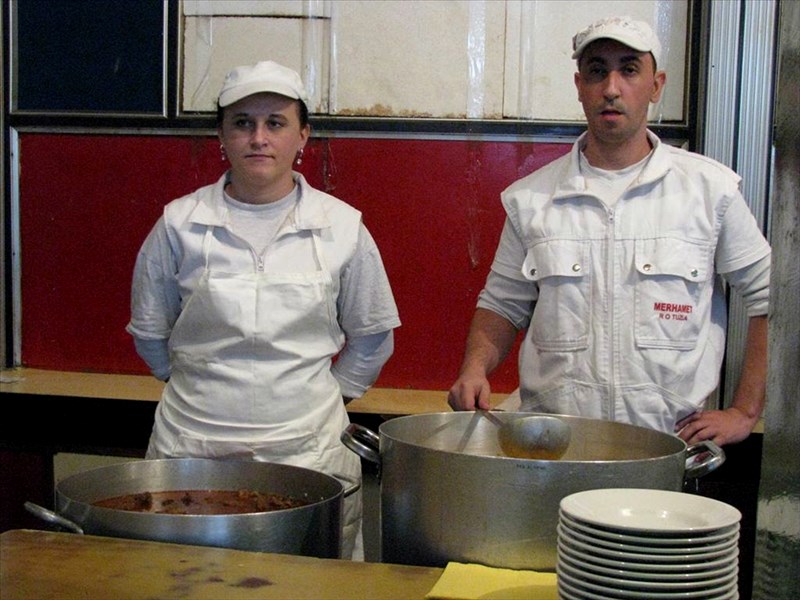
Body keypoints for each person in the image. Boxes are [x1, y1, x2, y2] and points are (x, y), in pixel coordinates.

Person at [448, 17, 770, 448]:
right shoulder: (531, 200)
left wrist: (745, 411)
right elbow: (501, 306)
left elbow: (772, 296)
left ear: (656, 86)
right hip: (557, 449)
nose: (612, 88)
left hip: (669, 449)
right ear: (580, 86)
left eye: (629, 70)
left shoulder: (711, 193)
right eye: (598, 71)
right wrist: (474, 368)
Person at [127, 61, 401, 560]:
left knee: (312, 585)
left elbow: (373, 335)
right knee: (186, 580)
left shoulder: (342, 227)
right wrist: (200, 388)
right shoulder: (179, 224)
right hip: (194, 449)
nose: (258, 138)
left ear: (303, 137)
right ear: (221, 136)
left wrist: (317, 399)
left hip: (309, 450)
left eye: (275, 123)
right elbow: (150, 332)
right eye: (242, 123)